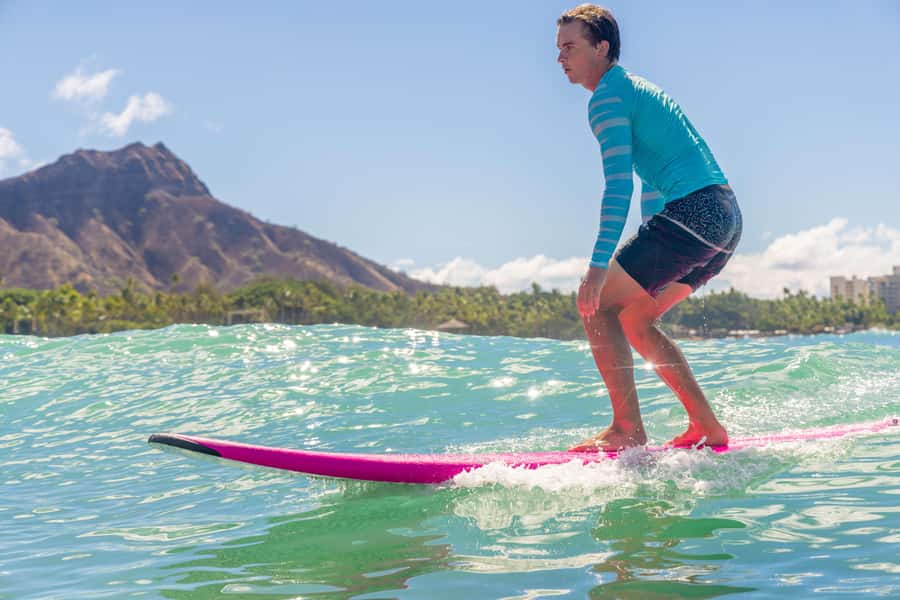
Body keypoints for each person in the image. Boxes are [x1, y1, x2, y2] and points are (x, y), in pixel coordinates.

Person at [556, 5, 742, 451]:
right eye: (558, 48)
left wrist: (598, 267)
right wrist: (645, 251)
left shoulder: (606, 97)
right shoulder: (638, 90)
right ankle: (707, 427)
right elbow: (651, 185)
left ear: (601, 48)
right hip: (725, 219)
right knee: (636, 319)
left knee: (597, 305)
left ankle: (626, 431)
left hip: (695, 212)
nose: (560, 58)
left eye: (570, 47)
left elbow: (618, 184)